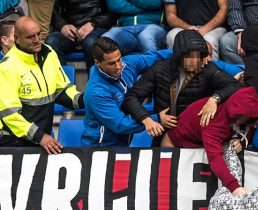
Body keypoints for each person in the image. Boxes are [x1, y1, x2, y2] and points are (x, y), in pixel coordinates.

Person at [122, 29, 242, 146]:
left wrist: (214, 98)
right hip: (163, 134)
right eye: (190, 56)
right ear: (179, 55)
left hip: (194, 135)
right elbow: (131, 98)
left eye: (199, 56)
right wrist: (147, 119)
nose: (195, 61)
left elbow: (235, 85)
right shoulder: (159, 69)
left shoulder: (208, 69)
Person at [0, 16, 83, 154]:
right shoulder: (6, 67)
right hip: (13, 142)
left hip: (40, 139)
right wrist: (41, 137)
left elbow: (61, 90)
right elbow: (10, 115)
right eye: (31, 37)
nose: (37, 40)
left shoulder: (49, 53)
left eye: (39, 34)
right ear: (17, 39)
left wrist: (84, 99)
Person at [161, 87, 258, 193]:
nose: (248, 123)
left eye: (250, 119)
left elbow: (249, 127)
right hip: (174, 144)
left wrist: (240, 141)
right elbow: (215, 157)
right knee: (174, 190)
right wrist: (234, 187)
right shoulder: (213, 123)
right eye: (245, 119)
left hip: (199, 144)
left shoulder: (242, 116)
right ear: (236, 115)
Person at [81, 37, 170, 146]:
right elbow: (120, 124)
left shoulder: (128, 64)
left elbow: (156, 57)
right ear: (97, 63)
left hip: (122, 145)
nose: (118, 66)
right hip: (100, 148)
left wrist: (186, 49)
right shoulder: (96, 92)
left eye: (119, 59)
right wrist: (156, 118)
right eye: (111, 63)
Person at [45, 0, 117, 72]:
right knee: (51, 41)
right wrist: (62, 25)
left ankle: (95, 81)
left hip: (96, 27)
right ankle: (61, 81)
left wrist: (93, 24)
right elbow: (53, 9)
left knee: (91, 43)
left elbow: (113, 13)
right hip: (70, 28)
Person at [103, 0, 167, 55]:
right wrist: (145, 8)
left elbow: (154, 2)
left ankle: (153, 68)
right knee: (104, 40)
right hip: (125, 28)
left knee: (146, 37)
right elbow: (114, 5)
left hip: (152, 26)